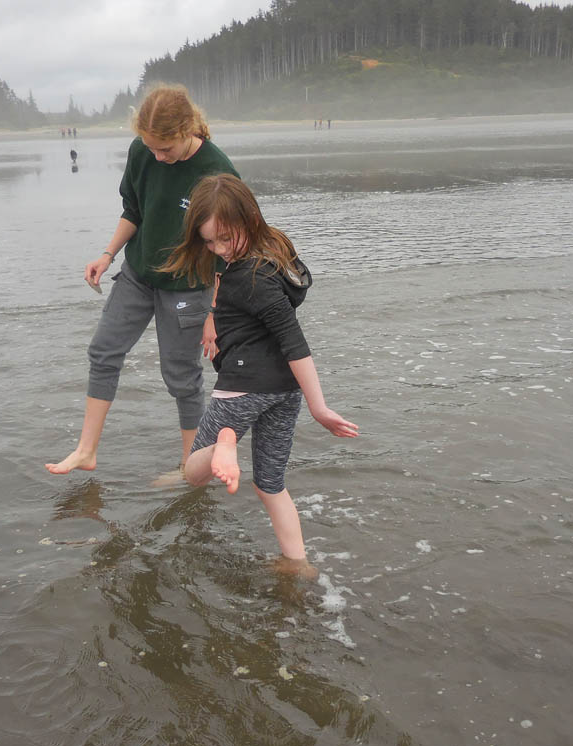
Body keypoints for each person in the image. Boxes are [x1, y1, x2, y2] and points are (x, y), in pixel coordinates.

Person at [160, 174, 358, 565]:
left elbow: (294, 341)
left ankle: (225, 443)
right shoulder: (276, 253)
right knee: (270, 486)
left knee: (194, 474)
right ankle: (298, 565)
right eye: (209, 241)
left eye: (224, 238)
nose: (218, 249)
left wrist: (321, 408)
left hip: (241, 390)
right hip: (285, 392)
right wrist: (216, 314)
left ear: (248, 220)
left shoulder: (248, 280)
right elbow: (247, 301)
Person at [45, 85, 238, 476]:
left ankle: (190, 467)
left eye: (165, 149)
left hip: (188, 286)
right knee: (103, 352)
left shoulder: (216, 172)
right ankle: (86, 450)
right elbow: (134, 210)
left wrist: (213, 314)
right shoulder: (142, 152)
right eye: (151, 147)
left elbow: (230, 250)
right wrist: (107, 254)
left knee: (181, 378)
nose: (158, 156)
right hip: (138, 274)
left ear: (188, 131)